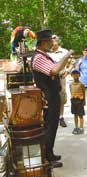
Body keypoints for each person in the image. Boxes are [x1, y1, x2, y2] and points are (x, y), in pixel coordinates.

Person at [31, 29, 74, 168]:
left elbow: (56, 70)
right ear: (43, 42)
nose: (52, 43)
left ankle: (50, 152)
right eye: (50, 41)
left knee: (53, 125)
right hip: (48, 97)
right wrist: (67, 55)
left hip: (53, 95)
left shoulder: (44, 55)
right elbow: (54, 70)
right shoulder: (38, 57)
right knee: (49, 126)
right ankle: (47, 158)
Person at [49, 35, 69, 127]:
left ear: (58, 41)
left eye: (54, 40)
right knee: (51, 97)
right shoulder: (47, 52)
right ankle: (53, 118)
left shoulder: (64, 51)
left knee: (61, 97)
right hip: (49, 78)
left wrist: (68, 71)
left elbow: (72, 62)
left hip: (61, 78)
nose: (53, 42)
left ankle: (61, 117)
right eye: (51, 40)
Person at [70, 69, 85, 135]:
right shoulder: (71, 84)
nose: (75, 75)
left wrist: (83, 100)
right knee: (75, 114)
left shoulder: (81, 84)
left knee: (80, 115)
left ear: (79, 75)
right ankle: (76, 127)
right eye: (73, 74)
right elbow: (71, 91)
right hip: (73, 100)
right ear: (71, 75)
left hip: (80, 101)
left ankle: (81, 128)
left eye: (77, 74)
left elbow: (84, 92)